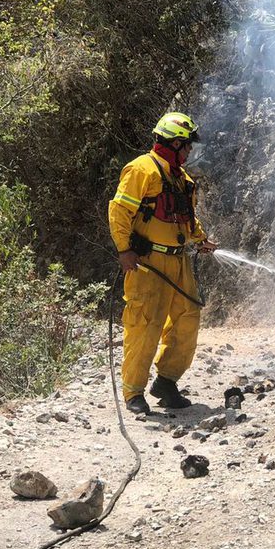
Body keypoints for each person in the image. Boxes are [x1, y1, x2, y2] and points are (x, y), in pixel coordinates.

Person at [108, 112, 217, 415]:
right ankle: (133, 392)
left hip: (178, 261)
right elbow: (119, 212)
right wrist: (124, 250)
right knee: (145, 324)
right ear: (174, 144)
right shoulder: (141, 170)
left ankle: (166, 382)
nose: (190, 152)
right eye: (187, 146)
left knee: (187, 319)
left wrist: (200, 239)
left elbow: (186, 218)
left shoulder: (181, 179)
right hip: (147, 263)